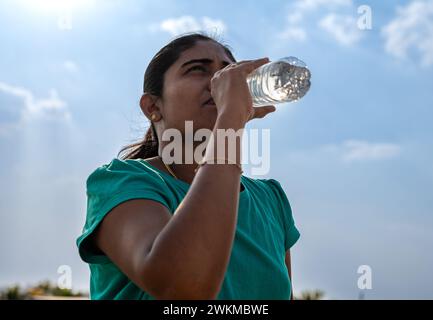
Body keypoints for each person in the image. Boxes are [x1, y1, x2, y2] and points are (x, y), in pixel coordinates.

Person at [76, 32, 301, 300]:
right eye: (198, 69)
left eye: (228, 73)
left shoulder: (270, 199)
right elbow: (183, 290)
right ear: (152, 107)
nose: (220, 83)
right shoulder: (121, 182)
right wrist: (230, 117)